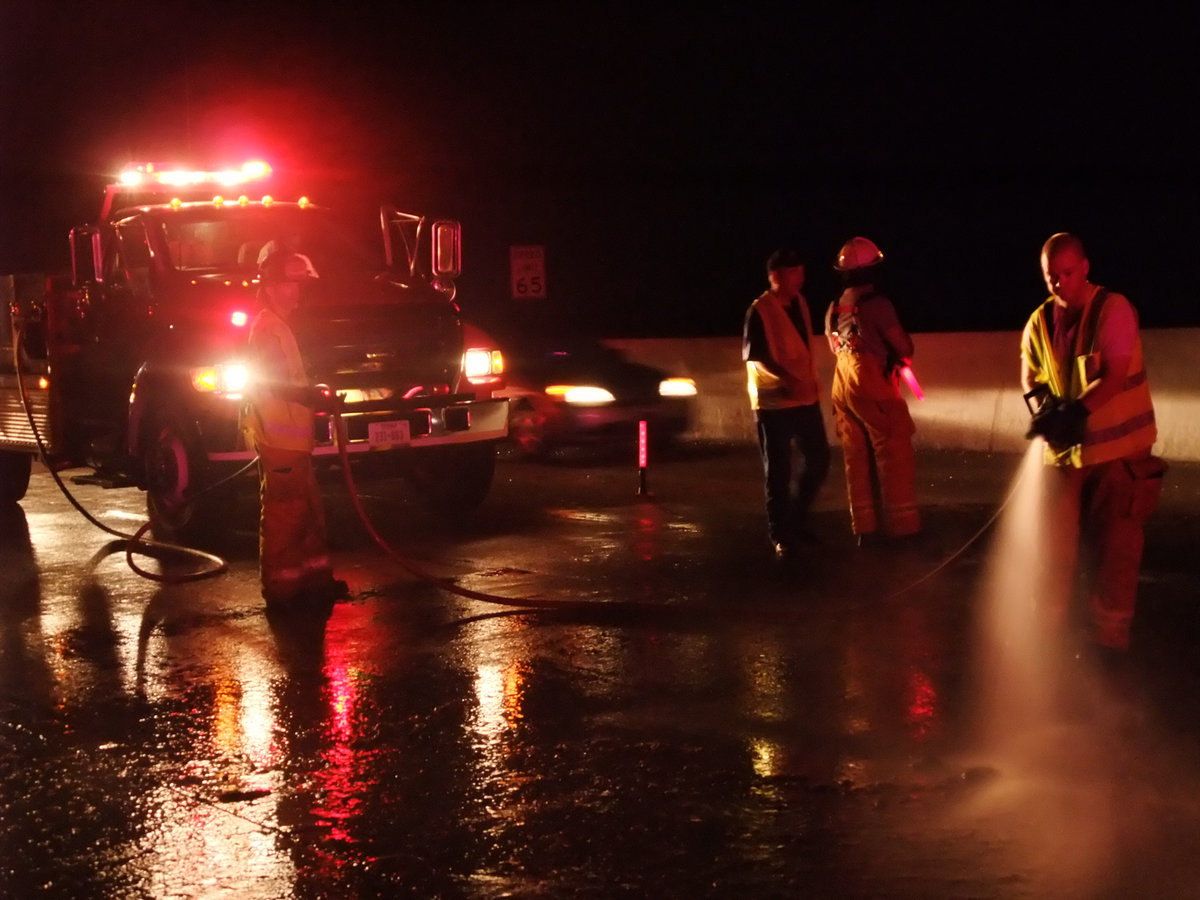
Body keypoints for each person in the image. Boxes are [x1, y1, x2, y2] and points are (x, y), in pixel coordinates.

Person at [1021, 232, 1165, 653]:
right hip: (1067, 457)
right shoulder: (1039, 323)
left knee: (1115, 552)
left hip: (1121, 458)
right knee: (1052, 554)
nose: (1059, 283)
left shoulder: (1113, 310)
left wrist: (1074, 414)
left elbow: (1114, 373)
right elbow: (1031, 377)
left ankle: (1110, 640)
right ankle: (1045, 642)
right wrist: (1045, 411)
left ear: (1084, 267)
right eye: (1052, 276)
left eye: (1067, 273)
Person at [244, 249, 348, 612]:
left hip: (292, 440)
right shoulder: (269, 328)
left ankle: (315, 583)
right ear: (271, 287)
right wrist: (313, 396)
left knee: (307, 509)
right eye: (290, 284)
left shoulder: (279, 326)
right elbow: (275, 384)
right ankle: (282, 592)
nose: (297, 292)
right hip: (279, 440)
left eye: (299, 285)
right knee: (285, 516)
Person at [823, 236, 920, 545]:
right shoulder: (878, 305)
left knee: (856, 457)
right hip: (873, 384)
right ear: (872, 271)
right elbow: (903, 347)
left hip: (842, 386)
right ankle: (903, 529)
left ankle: (864, 529)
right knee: (892, 450)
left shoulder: (833, 309)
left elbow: (835, 348)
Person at [742, 248, 831, 560]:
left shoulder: (800, 304)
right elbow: (755, 355)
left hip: (805, 397)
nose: (800, 278)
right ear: (775, 276)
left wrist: (804, 381)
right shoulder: (760, 310)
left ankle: (795, 519)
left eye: (801, 272)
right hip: (773, 404)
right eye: (794, 273)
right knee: (778, 471)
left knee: (818, 461)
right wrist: (785, 378)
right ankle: (781, 534)